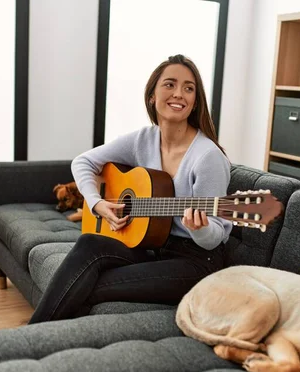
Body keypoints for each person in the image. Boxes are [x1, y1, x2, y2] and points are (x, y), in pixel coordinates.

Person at [29, 54, 232, 323]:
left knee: (84, 284)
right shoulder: (143, 140)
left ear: (195, 101)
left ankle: (31, 337)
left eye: (189, 88)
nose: (179, 94)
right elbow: (83, 162)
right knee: (89, 242)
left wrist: (200, 228)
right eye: (170, 84)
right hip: (153, 247)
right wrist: (96, 203)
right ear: (152, 95)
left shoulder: (208, 157)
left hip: (195, 262)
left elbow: (216, 235)